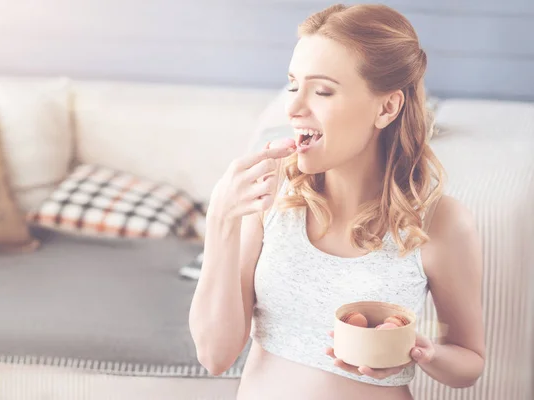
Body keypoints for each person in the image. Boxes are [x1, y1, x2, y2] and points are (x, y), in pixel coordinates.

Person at [189, 4, 485, 400]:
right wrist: (220, 221)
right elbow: (214, 355)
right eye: (294, 85)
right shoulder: (272, 193)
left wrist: (421, 351)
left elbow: (469, 362)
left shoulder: (441, 222)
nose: (294, 107)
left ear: (387, 107)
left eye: (322, 90)